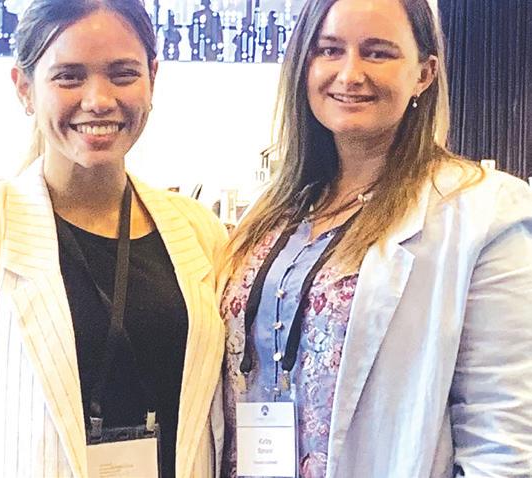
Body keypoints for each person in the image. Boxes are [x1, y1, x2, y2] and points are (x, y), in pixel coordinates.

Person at [217, 0, 532, 476]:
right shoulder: (277, 209)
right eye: (329, 50)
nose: (350, 74)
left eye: (378, 52)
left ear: (424, 74)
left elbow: (504, 444)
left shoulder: (484, 213)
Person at [0, 0, 227, 477]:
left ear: (152, 78)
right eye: (69, 77)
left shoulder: (199, 233)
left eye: (123, 74)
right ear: (24, 88)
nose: (99, 99)